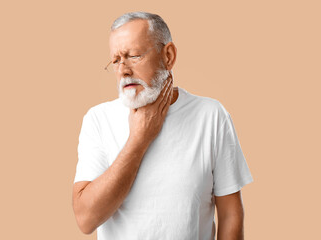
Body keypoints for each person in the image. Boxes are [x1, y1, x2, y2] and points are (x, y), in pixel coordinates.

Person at [72, 11, 253, 240]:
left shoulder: (211, 115)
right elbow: (86, 219)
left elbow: (230, 214)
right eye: (116, 60)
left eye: (134, 56)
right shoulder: (98, 119)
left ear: (168, 55)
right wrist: (139, 139)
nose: (123, 70)